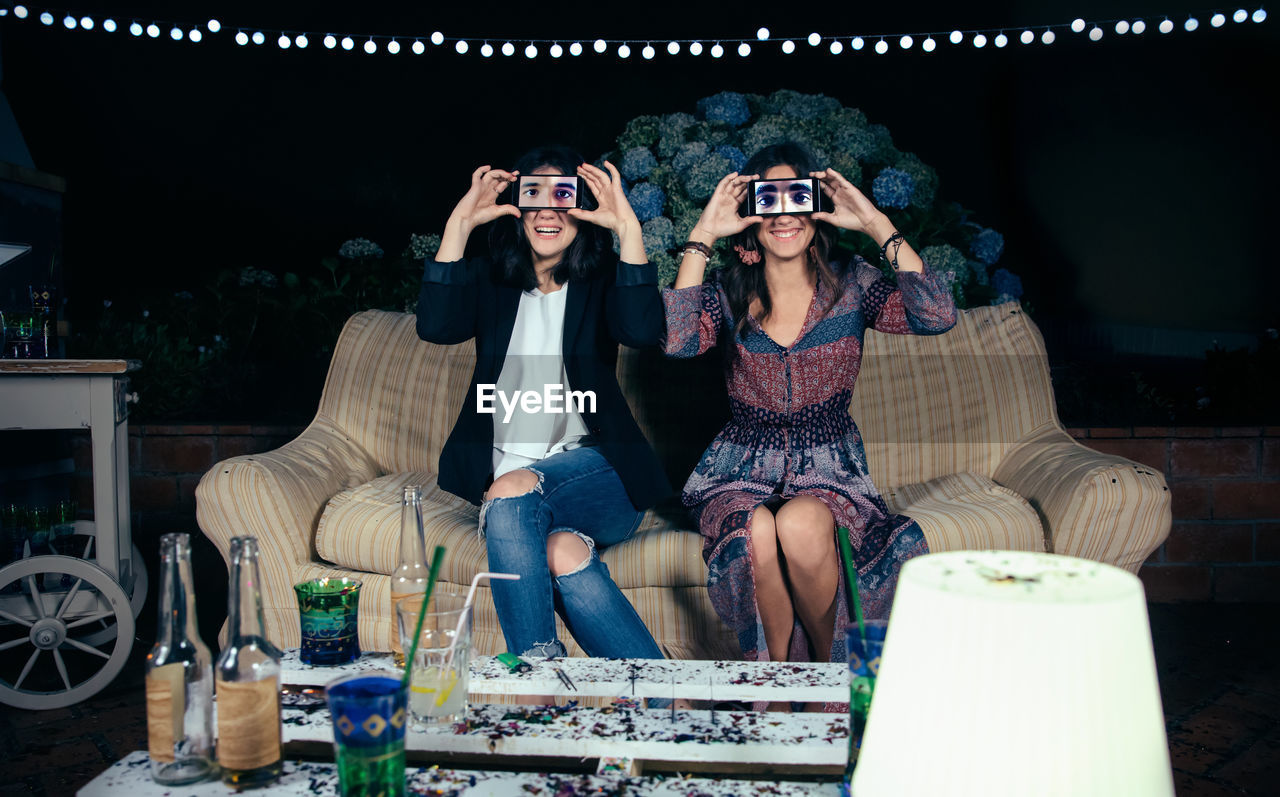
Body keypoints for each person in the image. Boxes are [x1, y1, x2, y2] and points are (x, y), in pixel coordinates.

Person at [662, 142, 957, 681]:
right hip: (739, 467)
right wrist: (704, 234)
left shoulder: (853, 284)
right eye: (766, 201)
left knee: (799, 523)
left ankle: (836, 676)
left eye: (795, 198)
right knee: (753, 531)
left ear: (816, 210)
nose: (783, 215)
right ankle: (776, 682)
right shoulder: (727, 293)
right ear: (750, 218)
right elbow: (679, 342)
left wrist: (873, 221)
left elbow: (936, 314)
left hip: (830, 466)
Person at [417, 145, 672, 673]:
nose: (549, 210)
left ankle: (532, 672)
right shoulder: (492, 279)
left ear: (582, 210)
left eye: (566, 195)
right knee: (562, 553)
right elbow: (435, 327)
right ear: (517, 207)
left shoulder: (601, 280)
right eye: (534, 195)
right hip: (512, 480)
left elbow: (643, 331)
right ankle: (665, 693)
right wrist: (460, 224)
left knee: (510, 492)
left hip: (597, 471)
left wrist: (629, 229)